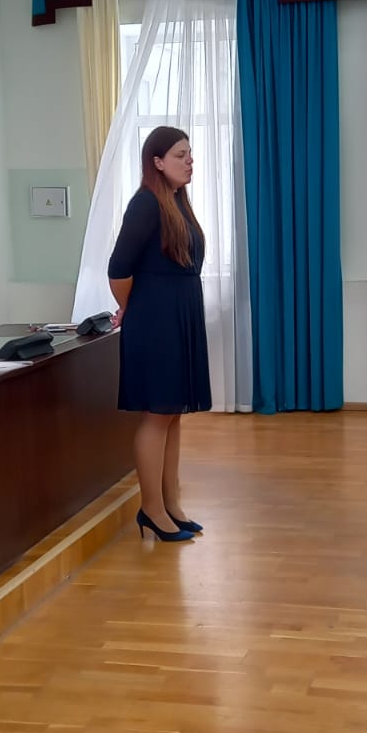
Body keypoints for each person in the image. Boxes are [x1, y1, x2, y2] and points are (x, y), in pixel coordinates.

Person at [108, 126, 211, 542]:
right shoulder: (146, 203)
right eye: (181, 154)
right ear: (157, 161)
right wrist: (132, 307)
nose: (189, 161)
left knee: (172, 414)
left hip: (179, 314)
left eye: (190, 154)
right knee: (157, 415)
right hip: (155, 320)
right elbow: (118, 269)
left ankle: (171, 504)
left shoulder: (177, 202)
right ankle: (151, 509)